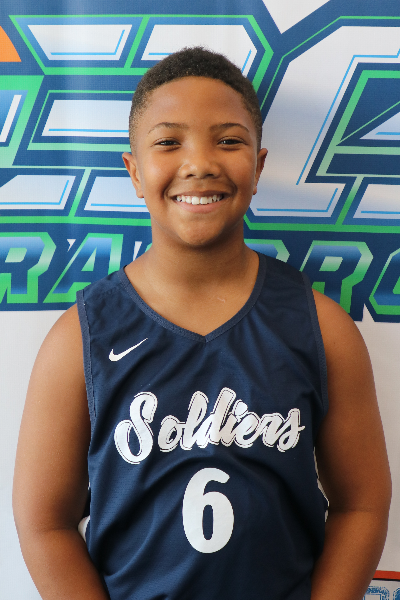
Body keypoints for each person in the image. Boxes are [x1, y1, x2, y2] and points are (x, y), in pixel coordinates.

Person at [13, 47, 391, 600]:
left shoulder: (322, 328)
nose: (199, 163)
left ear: (257, 167)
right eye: (169, 142)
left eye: (228, 141)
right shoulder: (81, 338)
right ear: (134, 171)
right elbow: (44, 522)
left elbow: (362, 503)